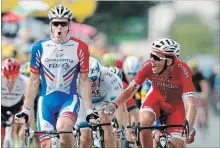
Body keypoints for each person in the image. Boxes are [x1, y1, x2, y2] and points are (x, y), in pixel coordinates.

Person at [14, 5, 95, 148]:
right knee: (46, 144)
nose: (59, 27)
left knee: (63, 129)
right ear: (50, 25)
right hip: (46, 101)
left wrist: (89, 111)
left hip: (69, 99)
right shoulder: (39, 47)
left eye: (63, 24)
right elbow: (33, 81)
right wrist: (26, 109)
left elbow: (84, 81)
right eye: (55, 23)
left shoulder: (81, 47)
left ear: (69, 25)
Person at [103, 38, 197, 147]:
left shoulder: (184, 70)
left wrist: (188, 128)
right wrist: (114, 104)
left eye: (156, 57)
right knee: (144, 122)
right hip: (155, 99)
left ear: (169, 61)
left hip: (175, 106)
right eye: (151, 55)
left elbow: (190, 105)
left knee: (176, 143)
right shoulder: (148, 66)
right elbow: (130, 90)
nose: (151, 60)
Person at [76, 57, 124, 148]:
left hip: (102, 100)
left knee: (106, 121)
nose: (91, 83)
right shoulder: (75, 78)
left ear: (99, 74)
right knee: (85, 136)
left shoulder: (109, 77)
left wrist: (118, 127)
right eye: (88, 80)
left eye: (94, 78)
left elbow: (117, 105)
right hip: (83, 101)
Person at [1, 58, 34, 147]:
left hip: (17, 108)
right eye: (7, 76)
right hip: (2, 109)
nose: (10, 80)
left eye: (14, 76)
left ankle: (20, 144)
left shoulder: (25, 82)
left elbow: (29, 104)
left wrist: (28, 125)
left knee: (21, 131)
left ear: (18, 74)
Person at [187, 59, 209, 131]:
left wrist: (205, 94)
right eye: (192, 69)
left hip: (200, 91)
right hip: (194, 92)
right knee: (192, 106)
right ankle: (196, 120)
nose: (194, 70)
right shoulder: (189, 75)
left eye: (195, 68)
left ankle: (206, 119)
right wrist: (192, 94)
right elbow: (190, 85)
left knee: (205, 105)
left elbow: (203, 85)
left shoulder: (200, 74)